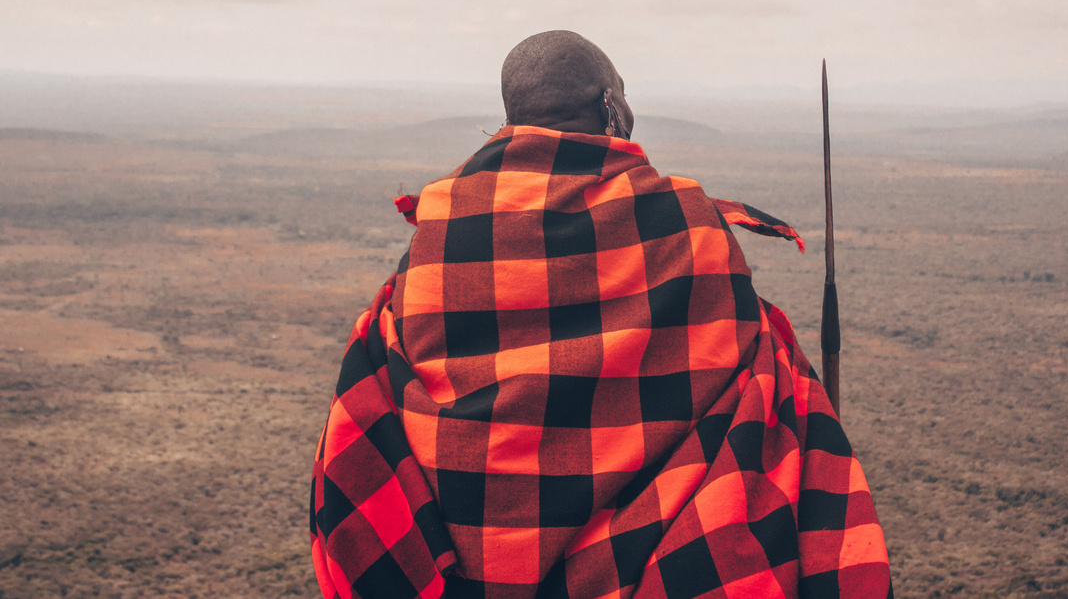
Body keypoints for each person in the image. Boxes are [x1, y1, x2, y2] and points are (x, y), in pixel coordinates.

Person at [310, 31, 891, 598]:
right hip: (669, 561)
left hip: (480, 565)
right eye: (624, 95)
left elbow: (388, 379)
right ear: (613, 107)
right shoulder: (685, 220)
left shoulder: (441, 231)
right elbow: (756, 372)